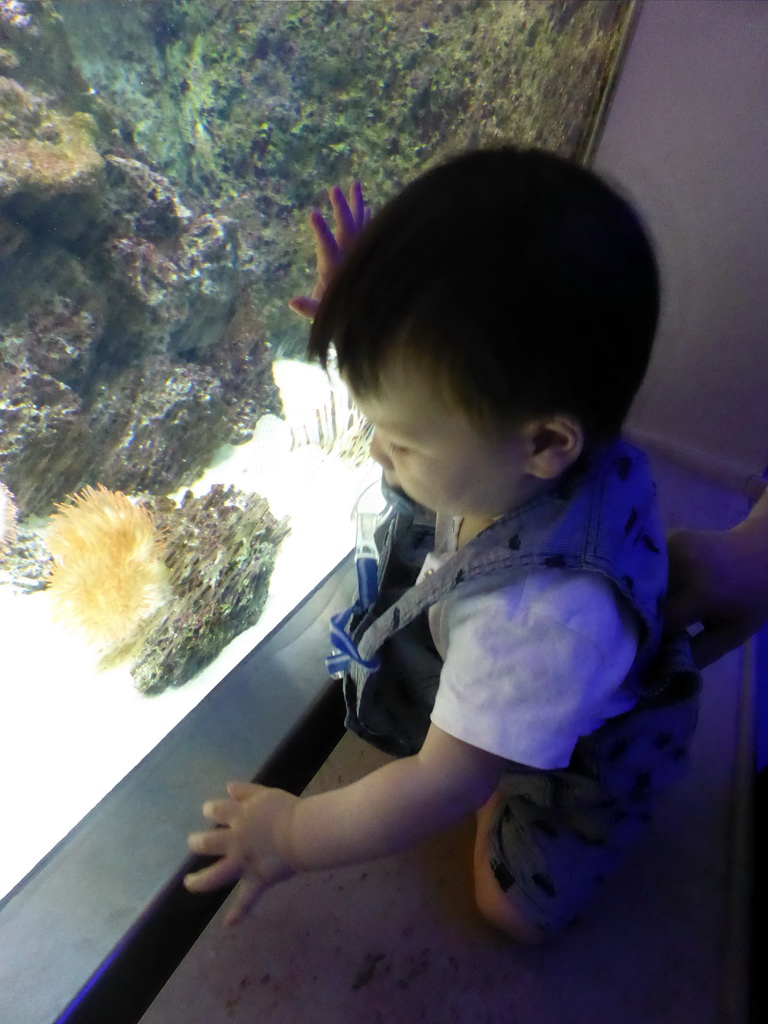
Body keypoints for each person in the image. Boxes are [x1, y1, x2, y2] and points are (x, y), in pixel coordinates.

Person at [183, 149, 706, 942]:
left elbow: (441, 786)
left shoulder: (528, 619)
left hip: (587, 769)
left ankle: (645, 662)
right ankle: (688, 592)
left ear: (544, 444)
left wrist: (293, 834)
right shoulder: (543, 443)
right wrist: (370, 318)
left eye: (401, 440)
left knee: (510, 911)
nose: (376, 456)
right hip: (589, 577)